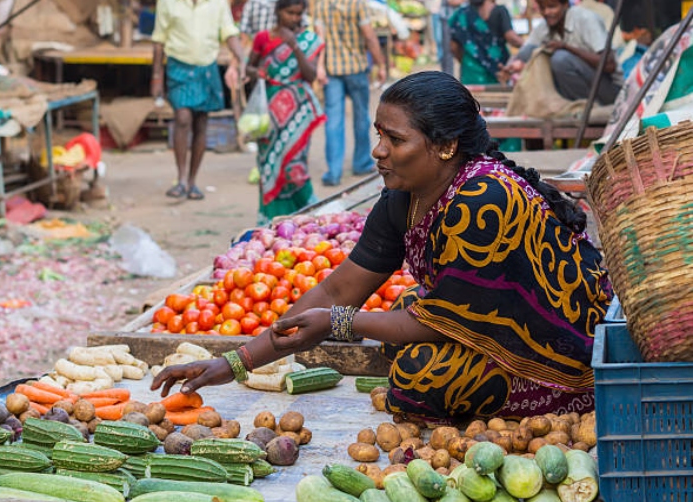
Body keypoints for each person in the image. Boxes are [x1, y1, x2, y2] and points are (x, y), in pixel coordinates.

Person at [151, 71, 613, 424]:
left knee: (418, 376)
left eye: (395, 139)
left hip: (562, 354)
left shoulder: (483, 200)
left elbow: (350, 314)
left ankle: (563, 397)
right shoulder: (404, 197)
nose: (378, 150)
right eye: (379, 134)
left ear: (447, 146)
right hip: (488, 323)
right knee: (405, 310)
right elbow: (336, 293)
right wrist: (234, 362)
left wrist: (338, 323)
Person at [151, 0, 247, 200]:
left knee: (201, 123)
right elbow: (158, 41)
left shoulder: (218, 3)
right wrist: (156, 77)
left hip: (206, 68)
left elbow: (229, 33)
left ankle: (192, 181)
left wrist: (241, 59)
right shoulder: (167, 3)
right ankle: (181, 179)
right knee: (183, 117)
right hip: (178, 68)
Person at [245, 0, 326, 224]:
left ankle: (306, 213)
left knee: (295, 164)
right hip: (270, 112)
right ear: (278, 11)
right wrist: (258, 72)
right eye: (289, 13)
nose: (294, 18)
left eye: (298, 14)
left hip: (299, 112)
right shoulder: (264, 38)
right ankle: (271, 218)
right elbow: (249, 67)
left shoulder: (308, 40)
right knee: (269, 163)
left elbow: (310, 76)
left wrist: (294, 46)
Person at [311, 0, 388, 187]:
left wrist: (319, 67)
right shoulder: (357, 4)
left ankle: (334, 172)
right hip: (356, 68)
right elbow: (370, 37)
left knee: (333, 120)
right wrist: (381, 64)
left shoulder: (321, 5)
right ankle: (361, 162)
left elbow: (319, 41)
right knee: (361, 116)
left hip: (332, 71)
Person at [502, 0, 623, 105]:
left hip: (608, 89)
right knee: (529, 52)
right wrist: (512, 66)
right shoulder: (543, 27)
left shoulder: (586, 19)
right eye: (542, 8)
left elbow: (609, 65)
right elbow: (525, 51)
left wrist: (566, 47)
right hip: (577, 88)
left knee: (560, 59)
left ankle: (585, 106)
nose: (546, 12)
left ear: (565, 4)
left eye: (552, 7)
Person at [449, 0, 524, 85]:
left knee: (470, 98)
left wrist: (467, 61)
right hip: (499, 73)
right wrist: (529, 46)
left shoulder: (460, 15)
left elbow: (453, 47)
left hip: (471, 74)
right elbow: (511, 38)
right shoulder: (500, 11)